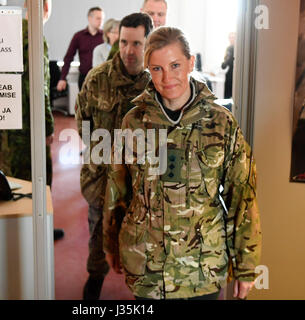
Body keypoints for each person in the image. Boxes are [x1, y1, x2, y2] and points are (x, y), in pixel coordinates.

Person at [103, 27, 262, 300]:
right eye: (156, 68)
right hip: (147, 266)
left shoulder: (221, 123)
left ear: (191, 62)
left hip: (203, 269)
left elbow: (242, 196)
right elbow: (117, 189)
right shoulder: (134, 122)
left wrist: (246, 266)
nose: (167, 77)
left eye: (175, 65)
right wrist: (112, 244)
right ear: (148, 71)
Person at [75, 12, 154, 300]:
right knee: (98, 236)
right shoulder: (98, 79)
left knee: (142, 245)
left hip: (141, 187)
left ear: (148, 43)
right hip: (100, 180)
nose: (128, 51)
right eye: (123, 42)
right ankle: (95, 278)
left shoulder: (156, 84)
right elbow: (83, 122)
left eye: (136, 43)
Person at [0, 0, 64, 240]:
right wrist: (48, 126)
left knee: (8, 179)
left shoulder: (3, 33)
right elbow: (37, 89)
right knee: (37, 183)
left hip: (0, 125)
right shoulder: (34, 37)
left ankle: (17, 233)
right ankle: (37, 235)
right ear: (47, 9)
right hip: (26, 130)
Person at [56, 7, 104, 91]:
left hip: (101, 78)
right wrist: (62, 78)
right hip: (84, 78)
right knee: (84, 103)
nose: (101, 21)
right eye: (98, 18)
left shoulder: (105, 36)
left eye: (102, 19)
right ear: (89, 18)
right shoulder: (78, 36)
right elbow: (68, 57)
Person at [221, 32, 236, 99]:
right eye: (230, 37)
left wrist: (224, 63)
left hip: (233, 75)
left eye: (233, 37)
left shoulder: (231, 48)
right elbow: (224, 65)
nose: (231, 39)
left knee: (229, 97)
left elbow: (224, 64)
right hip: (230, 75)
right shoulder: (229, 48)